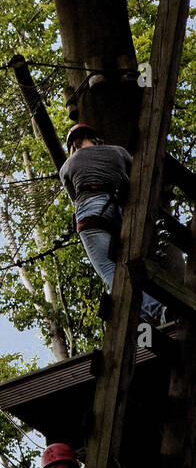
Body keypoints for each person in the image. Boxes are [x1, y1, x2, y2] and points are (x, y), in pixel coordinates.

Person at [60, 123, 164, 325]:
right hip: (123, 213)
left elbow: (75, 199)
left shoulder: (67, 166)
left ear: (73, 144)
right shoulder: (118, 152)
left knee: (112, 274)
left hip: (90, 213)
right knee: (135, 265)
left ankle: (158, 311)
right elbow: (136, 179)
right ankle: (147, 323)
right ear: (96, 138)